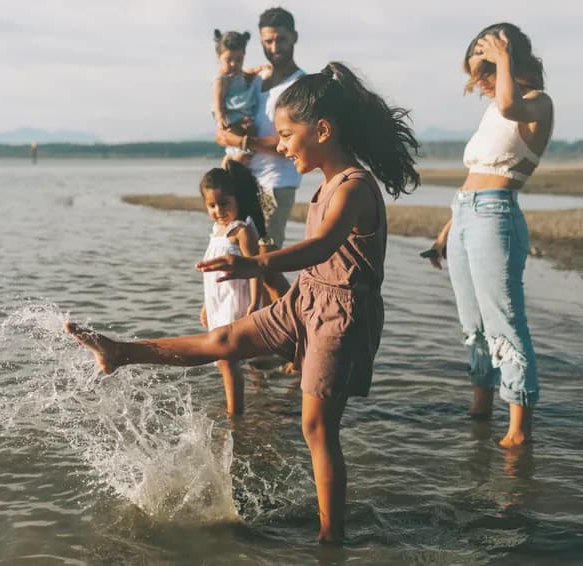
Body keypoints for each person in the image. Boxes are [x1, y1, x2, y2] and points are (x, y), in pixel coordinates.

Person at [66, 62, 420, 542]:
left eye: (288, 135)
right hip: (307, 299)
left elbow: (324, 245)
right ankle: (121, 352)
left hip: (341, 314)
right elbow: (313, 246)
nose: (282, 144)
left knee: (316, 428)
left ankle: (330, 539)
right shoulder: (327, 179)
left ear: (323, 131)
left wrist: (256, 264)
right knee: (224, 337)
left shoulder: (354, 185)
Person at [425, 23, 552, 448]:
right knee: (473, 325)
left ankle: (518, 428)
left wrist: (501, 61)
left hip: (496, 216)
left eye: (485, 70)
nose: (478, 82)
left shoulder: (536, 103)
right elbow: (474, 175)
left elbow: (510, 106)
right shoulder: (495, 106)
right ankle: (481, 404)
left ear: (507, 57)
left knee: (505, 323)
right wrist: (449, 226)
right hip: (465, 215)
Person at [215, 7, 305, 300]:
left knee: (267, 263)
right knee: (238, 256)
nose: (274, 47)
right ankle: (249, 330)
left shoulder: (301, 85)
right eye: (268, 41)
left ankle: (296, 329)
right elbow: (223, 129)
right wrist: (229, 136)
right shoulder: (256, 79)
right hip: (243, 181)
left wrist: (242, 142)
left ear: (294, 38)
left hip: (276, 185)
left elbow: (295, 142)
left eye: (280, 40)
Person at [199, 161, 268, 414]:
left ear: (236, 200)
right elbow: (211, 274)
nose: (218, 211)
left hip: (237, 303)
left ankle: (234, 413)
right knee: (223, 360)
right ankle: (259, 391)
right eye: (212, 206)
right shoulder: (216, 231)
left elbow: (256, 268)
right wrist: (207, 303)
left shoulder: (241, 231)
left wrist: (254, 302)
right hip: (219, 302)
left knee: (227, 359)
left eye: (224, 203)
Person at [211, 30, 259, 166]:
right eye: (229, 60)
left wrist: (259, 69)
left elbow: (248, 73)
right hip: (231, 117)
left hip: (243, 114)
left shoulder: (238, 74)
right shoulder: (221, 79)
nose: (234, 64)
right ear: (219, 58)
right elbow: (218, 101)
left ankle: (232, 160)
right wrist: (220, 119)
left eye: (238, 60)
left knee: (250, 137)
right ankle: (230, 164)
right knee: (243, 148)